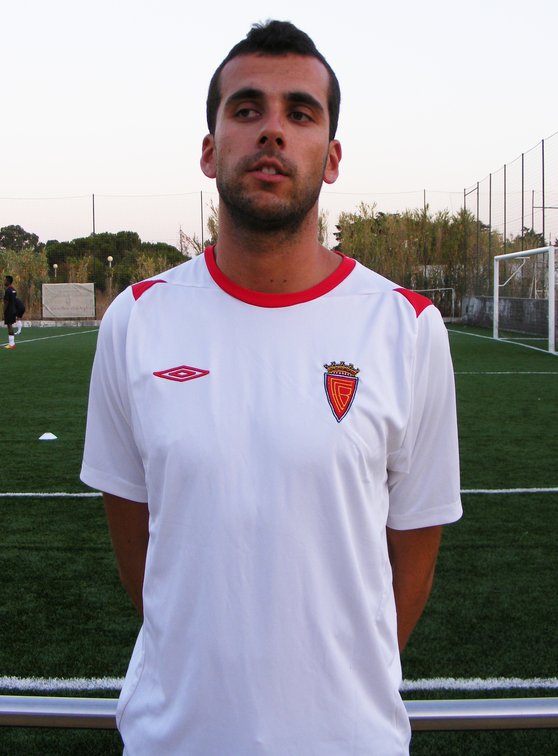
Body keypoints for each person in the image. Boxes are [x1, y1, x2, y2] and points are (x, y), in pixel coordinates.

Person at [81, 20, 462, 755]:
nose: (273, 131)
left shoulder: (407, 327)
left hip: (351, 741)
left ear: (332, 157)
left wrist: (340, 689)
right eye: (247, 109)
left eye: (301, 113)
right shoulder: (136, 319)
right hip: (175, 739)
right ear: (209, 148)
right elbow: (137, 545)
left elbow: (414, 550)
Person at [3, 275, 17, 349]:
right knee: (10, 325)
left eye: (5, 280)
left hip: (9, 310)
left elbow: (6, 302)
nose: (4, 281)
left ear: (8, 281)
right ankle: (12, 343)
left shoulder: (8, 290)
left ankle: (11, 344)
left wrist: (3, 311)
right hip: (13, 310)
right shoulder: (14, 290)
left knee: (9, 325)